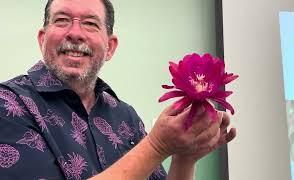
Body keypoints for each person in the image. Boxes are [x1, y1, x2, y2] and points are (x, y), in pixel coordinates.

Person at [0, 0, 236, 179]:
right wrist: (156, 146)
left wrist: (185, 157)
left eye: (90, 24)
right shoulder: (9, 103)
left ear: (110, 47)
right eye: (61, 20)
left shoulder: (126, 116)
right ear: (42, 39)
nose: (75, 33)